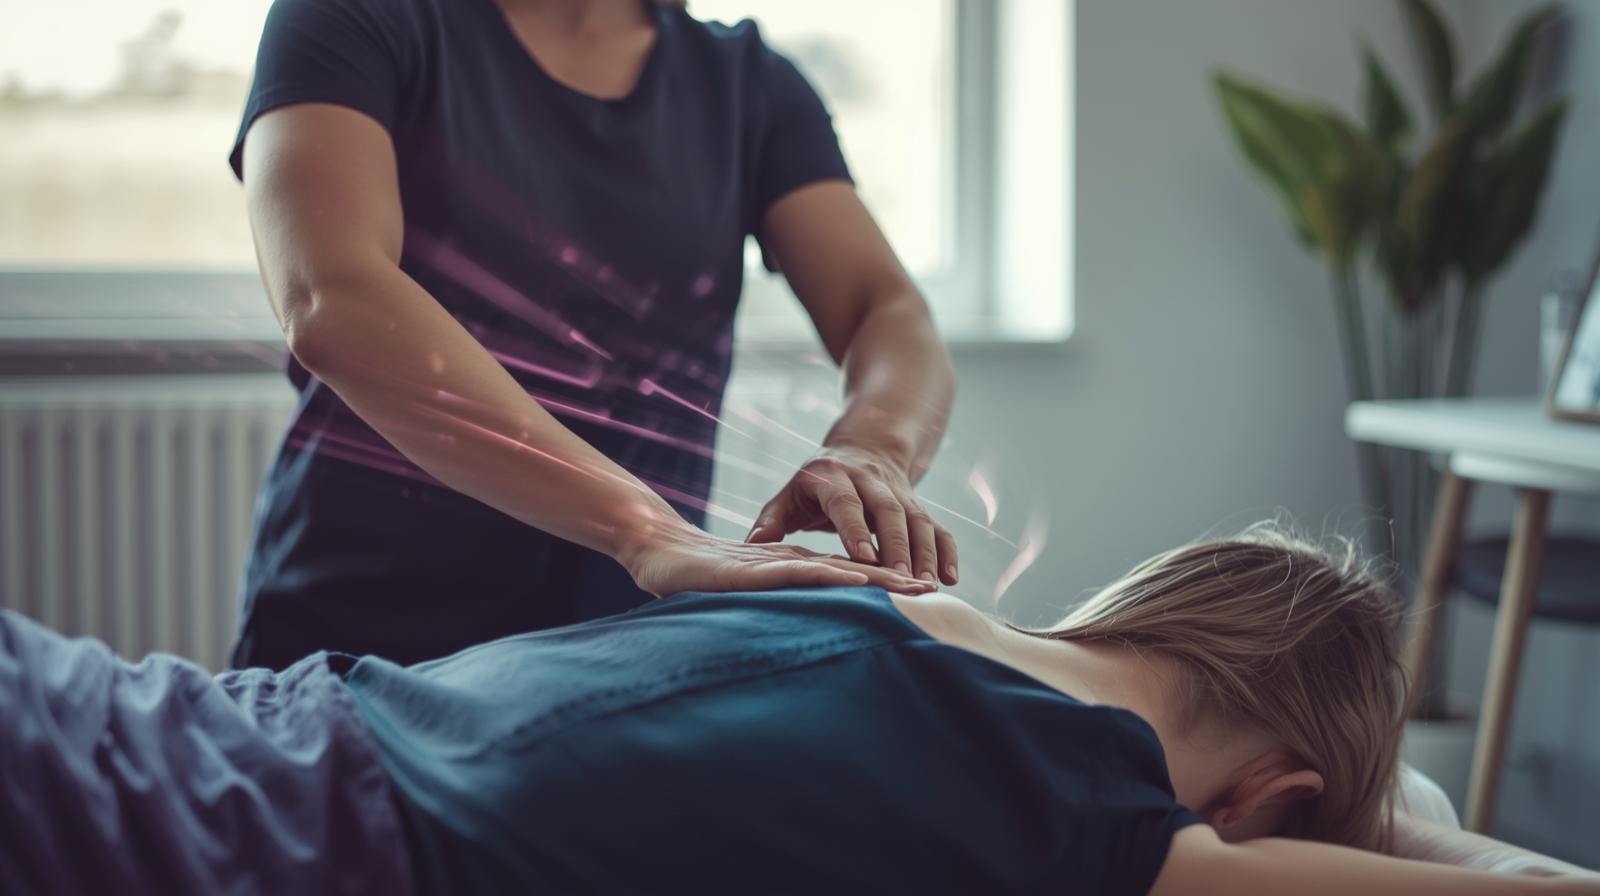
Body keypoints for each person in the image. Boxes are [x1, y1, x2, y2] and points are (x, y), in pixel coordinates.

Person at [3, 524, 1596, 894]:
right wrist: (1430, 824)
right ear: (1283, 800)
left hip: (191, 724)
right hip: (240, 843)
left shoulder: (890, 597)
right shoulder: (1091, 803)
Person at [229, 0, 960, 671]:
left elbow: (885, 309)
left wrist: (872, 448)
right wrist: (641, 529)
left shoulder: (749, 86)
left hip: (618, 654)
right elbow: (333, 295)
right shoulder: (354, 17)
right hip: (363, 637)